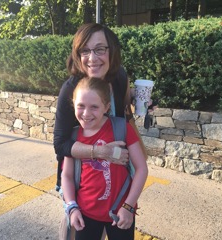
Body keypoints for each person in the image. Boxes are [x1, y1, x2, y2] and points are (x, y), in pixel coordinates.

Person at [53, 23, 150, 240]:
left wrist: (139, 99)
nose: (92, 58)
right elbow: (60, 145)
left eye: (99, 49)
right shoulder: (72, 89)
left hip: (119, 185)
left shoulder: (119, 77)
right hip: (83, 188)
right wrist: (100, 152)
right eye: (84, 51)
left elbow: (123, 109)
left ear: (111, 51)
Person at [61, 77, 148, 240]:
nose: (86, 114)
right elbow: (66, 175)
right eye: (80, 106)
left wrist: (128, 207)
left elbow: (142, 169)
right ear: (73, 104)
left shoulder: (122, 128)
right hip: (85, 214)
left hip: (121, 212)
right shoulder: (73, 136)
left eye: (94, 107)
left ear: (106, 107)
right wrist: (72, 207)